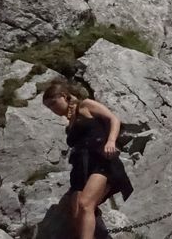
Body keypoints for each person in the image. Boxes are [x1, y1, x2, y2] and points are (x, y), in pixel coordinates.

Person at [43, 79, 134, 239]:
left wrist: (111, 141)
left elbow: (114, 119)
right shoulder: (70, 121)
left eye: (53, 103)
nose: (52, 109)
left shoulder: (85, 105)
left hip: (100, 160)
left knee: (86, 204)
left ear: (64, 96)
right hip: (80, 167)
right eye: (49, 106)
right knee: (77, 211)